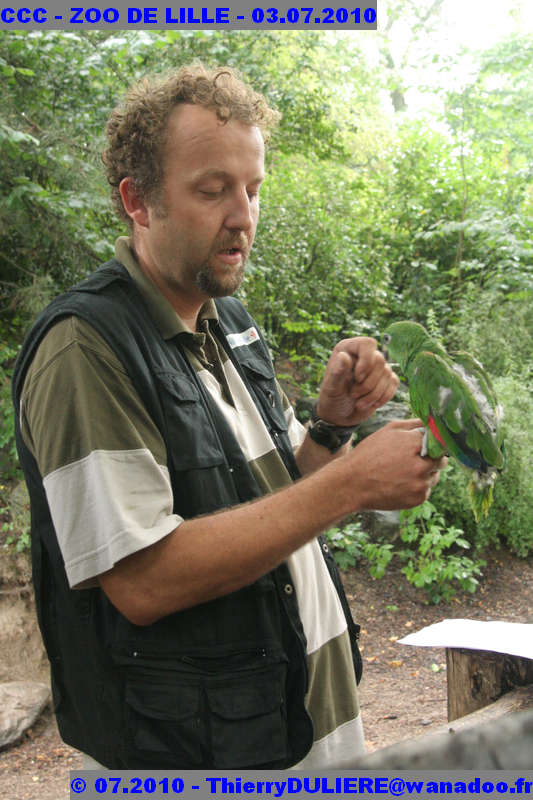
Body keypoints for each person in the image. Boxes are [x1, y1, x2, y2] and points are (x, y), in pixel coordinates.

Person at [12, 65, 446, 770]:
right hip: (193, 758)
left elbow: (269, 505)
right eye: (212, 190)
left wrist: (330, 429)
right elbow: (143, 581)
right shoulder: (84, 348)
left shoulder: (228, 321)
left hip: (300, 730)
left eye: (252, 189)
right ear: (137, 201)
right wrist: (352, 484)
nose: (242, 215)